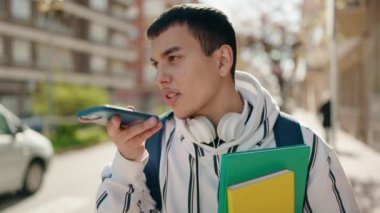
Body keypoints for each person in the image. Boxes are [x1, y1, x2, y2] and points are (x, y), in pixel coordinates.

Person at [96, 3, 359, 213]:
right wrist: (127, 163)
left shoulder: (302, 145)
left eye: (173, 58)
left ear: (222, 60)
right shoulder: (148, 150)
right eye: (156, 64)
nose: (160, 77)